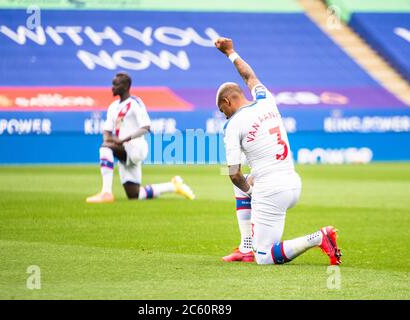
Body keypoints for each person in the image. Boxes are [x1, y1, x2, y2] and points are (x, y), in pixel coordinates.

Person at [215, 37, 341, 265]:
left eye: (223, 110)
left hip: (271, 192)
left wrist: (255, 195)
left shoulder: (232, 125)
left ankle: (318, 237)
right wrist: (231, 52)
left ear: (227, 101)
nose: (224, 115)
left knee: (263, 257)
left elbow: (233, 173)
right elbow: (249, 77)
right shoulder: (266, 100)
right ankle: (245, 247)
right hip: (293, 182)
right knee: (246, 181)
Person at [86, 72, 195, 203]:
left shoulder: (134, 103)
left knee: (105, 149)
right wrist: (109, 139)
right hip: (123, 150)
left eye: (116, 84)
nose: (112, 87)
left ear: (126, 86)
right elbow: (107, 130)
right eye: (112, 84)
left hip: (135, 149)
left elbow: (146, 127)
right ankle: (173, 186)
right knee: (134, 195)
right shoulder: (113, 107)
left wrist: (121, 140)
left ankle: (106, 192)